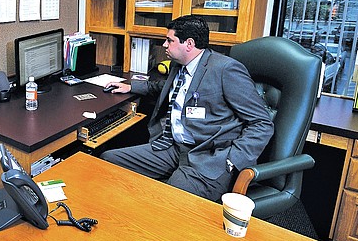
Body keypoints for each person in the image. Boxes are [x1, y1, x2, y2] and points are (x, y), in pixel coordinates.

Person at [102, 15, 274, 202]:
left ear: (189, 44)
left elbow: (262, 123)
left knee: (168, 199)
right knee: (108, 160)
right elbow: (168, 89)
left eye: (170, 40)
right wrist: (132, 87)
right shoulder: (179, 65)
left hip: (208, 156)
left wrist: (232, 160)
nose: (164, 45)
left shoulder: (226, 69)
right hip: (172, 147)